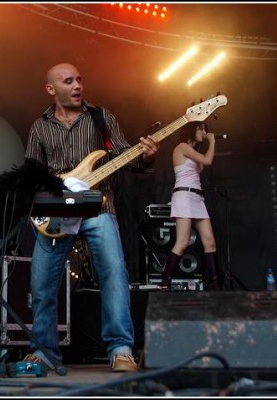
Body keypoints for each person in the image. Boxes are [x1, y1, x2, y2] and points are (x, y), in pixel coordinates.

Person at [24, 62, 160, 372]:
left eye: (79, 79)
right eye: (68, 81)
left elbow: (125, 155)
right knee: (42, 283)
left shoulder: (101, 117)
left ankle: (121, 350)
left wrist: (147, 156)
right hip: (57, 212)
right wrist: (55, 183)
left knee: (114, 273)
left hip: (99, 207)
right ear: (51, 89)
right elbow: (29, 174)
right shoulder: (39, 126)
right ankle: (44, 352)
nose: (77, 86)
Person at [159, 121, 220, 291]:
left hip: (197, 198)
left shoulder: (193, 151)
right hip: (184, 196)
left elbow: (201, 163)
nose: (204, 131)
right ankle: (164, 283)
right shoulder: (182, 147)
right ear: (191, 130)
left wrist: (206, 144)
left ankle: (214, 286)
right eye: (200, 128)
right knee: (183, 241)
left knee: (210, 242)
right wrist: (212, 142)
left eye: (205, 129)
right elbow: (207, 161)